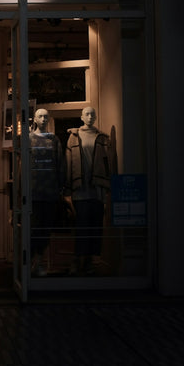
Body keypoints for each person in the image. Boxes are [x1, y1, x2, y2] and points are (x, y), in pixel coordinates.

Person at [64, 105, 111, 275]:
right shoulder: (73, 138)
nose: (90, 117)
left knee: (95, 227)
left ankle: (90, 262)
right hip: (80, 190)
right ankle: (77, 260)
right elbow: (68, 163)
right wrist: (68, 189)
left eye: (93, 114)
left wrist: (107, 188)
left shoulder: (103, 138)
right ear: (81, 117)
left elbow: (108, 164)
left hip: (97, 190)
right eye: (87, 114)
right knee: (81, 227)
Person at [29, 108, 66, 277]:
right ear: (35, 119)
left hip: (50, 190)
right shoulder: (28, 139)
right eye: (40, 116)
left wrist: (61, 186)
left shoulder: (53, 139)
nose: (43, 119)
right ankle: (32, 261)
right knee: (34, 227)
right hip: (33, 191)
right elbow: (24, 166)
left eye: (45, 116)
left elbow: (60, 164)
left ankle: (40, 260)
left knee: (46, 228)